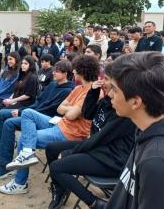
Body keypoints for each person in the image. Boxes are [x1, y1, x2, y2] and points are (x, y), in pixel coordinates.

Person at [0, 55, 100, 195]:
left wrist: (70, 110)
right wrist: (72, 109)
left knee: (23, 138)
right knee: (28, 112)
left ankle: (19, 183)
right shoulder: (78, 89)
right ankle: (28, 153)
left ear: (81, 71)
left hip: (70, 134)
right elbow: (60, 108)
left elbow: (70, 114)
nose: (74, 72)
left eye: (75, 69)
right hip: (60, 123)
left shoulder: (94, 92)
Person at [46, 63, 136, 209]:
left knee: (57, 167)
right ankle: (60, 189)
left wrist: (70, 152)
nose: (103, 82)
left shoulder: (122, 113)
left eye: (107, 80)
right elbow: (88, 114)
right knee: (51, 148)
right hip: (98, 148)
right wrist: (93, 92)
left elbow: (98, 138)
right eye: (103, 78)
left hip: (111, 159)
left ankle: (94, 202)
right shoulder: (107, 100)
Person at [105, 52, 164, 209]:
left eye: (115, 89)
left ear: (135, 102)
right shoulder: (147, 128)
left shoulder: (159, 163)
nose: (109, 94)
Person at [0, 60, 75, 179]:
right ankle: (4, 161)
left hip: (47, 121)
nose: (53, 73)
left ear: (66, 74)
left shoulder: (68, 90)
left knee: (7, 119)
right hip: (34, 113)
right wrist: (24, 110)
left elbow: (49, 109)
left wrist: (21, 112)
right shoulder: (53, 84)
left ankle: (7, 163)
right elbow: (39, 101)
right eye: (54, 70)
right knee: (6, 119)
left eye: (57, 71)